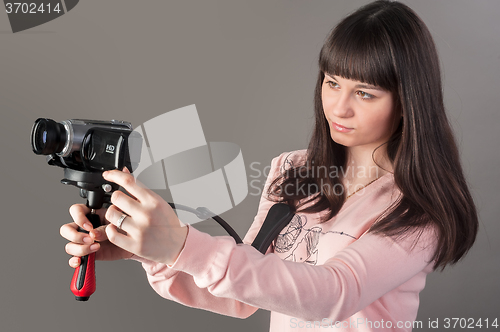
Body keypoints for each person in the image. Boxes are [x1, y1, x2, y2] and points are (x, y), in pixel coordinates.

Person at [60, 1, 478, 331]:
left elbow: (334, 294)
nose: (339, 107)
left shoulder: (418, 210)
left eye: (365, 93)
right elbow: (243, 294)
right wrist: (148, 251)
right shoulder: (292, 171)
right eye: (332, 83)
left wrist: (181, 243)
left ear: (407, 102)